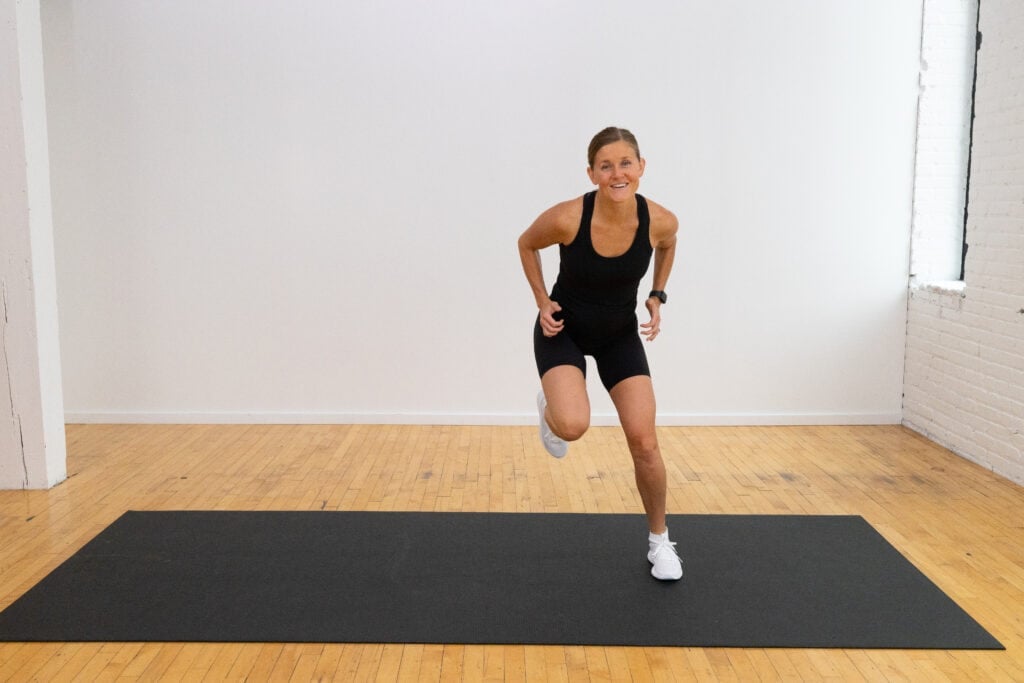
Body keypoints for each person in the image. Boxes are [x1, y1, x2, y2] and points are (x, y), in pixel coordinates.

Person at [517, 126, 682, 581]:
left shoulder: (659, 220)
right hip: (562, 330)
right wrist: (541, 301)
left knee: (644, 441)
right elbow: (526, 243)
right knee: (572, 426)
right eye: (605, 165)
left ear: (641, 168)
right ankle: (550, 407)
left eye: (625, 163)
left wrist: (658, 295)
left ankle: (659, 542)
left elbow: (668, 245)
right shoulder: (569, 217)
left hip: (618, 336)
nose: (617, 173)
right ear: (591, 173)